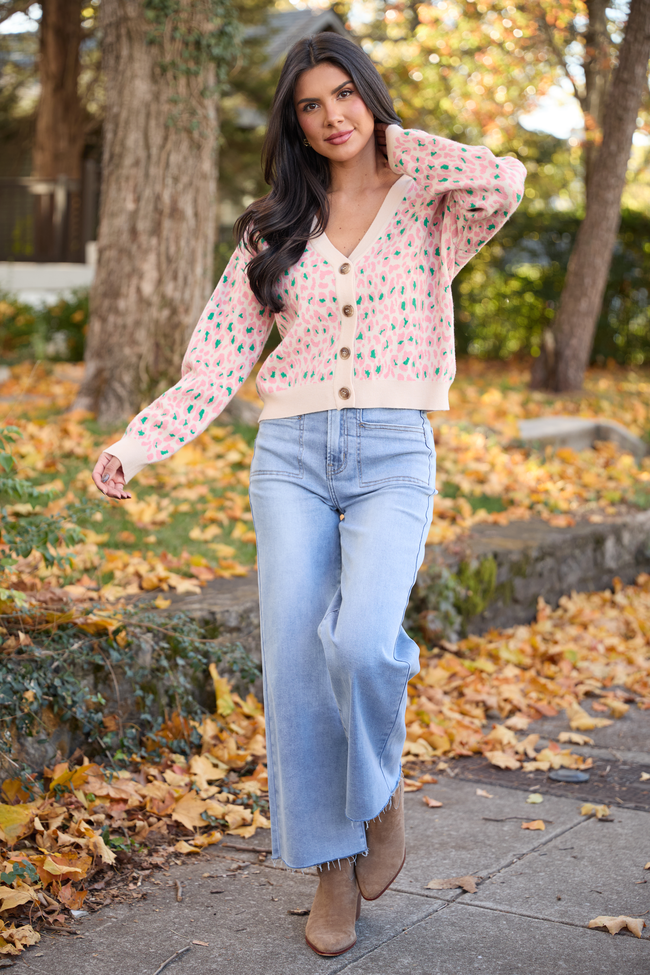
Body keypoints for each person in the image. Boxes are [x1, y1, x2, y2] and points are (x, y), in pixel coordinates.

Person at [92, 32, 526, 957]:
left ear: (370, 96)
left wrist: (398, 143)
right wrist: (137, 445)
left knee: (363, 642)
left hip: (390, 453)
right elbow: (213, 363)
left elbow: (504, 181)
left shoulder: (432, 204)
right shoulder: (273, 226)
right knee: (296, 660)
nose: (330, 117)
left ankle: (379, 798)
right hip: (289, 454)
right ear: (293, 121)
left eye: (344, 96)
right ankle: (331, 868)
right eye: (310, 105)